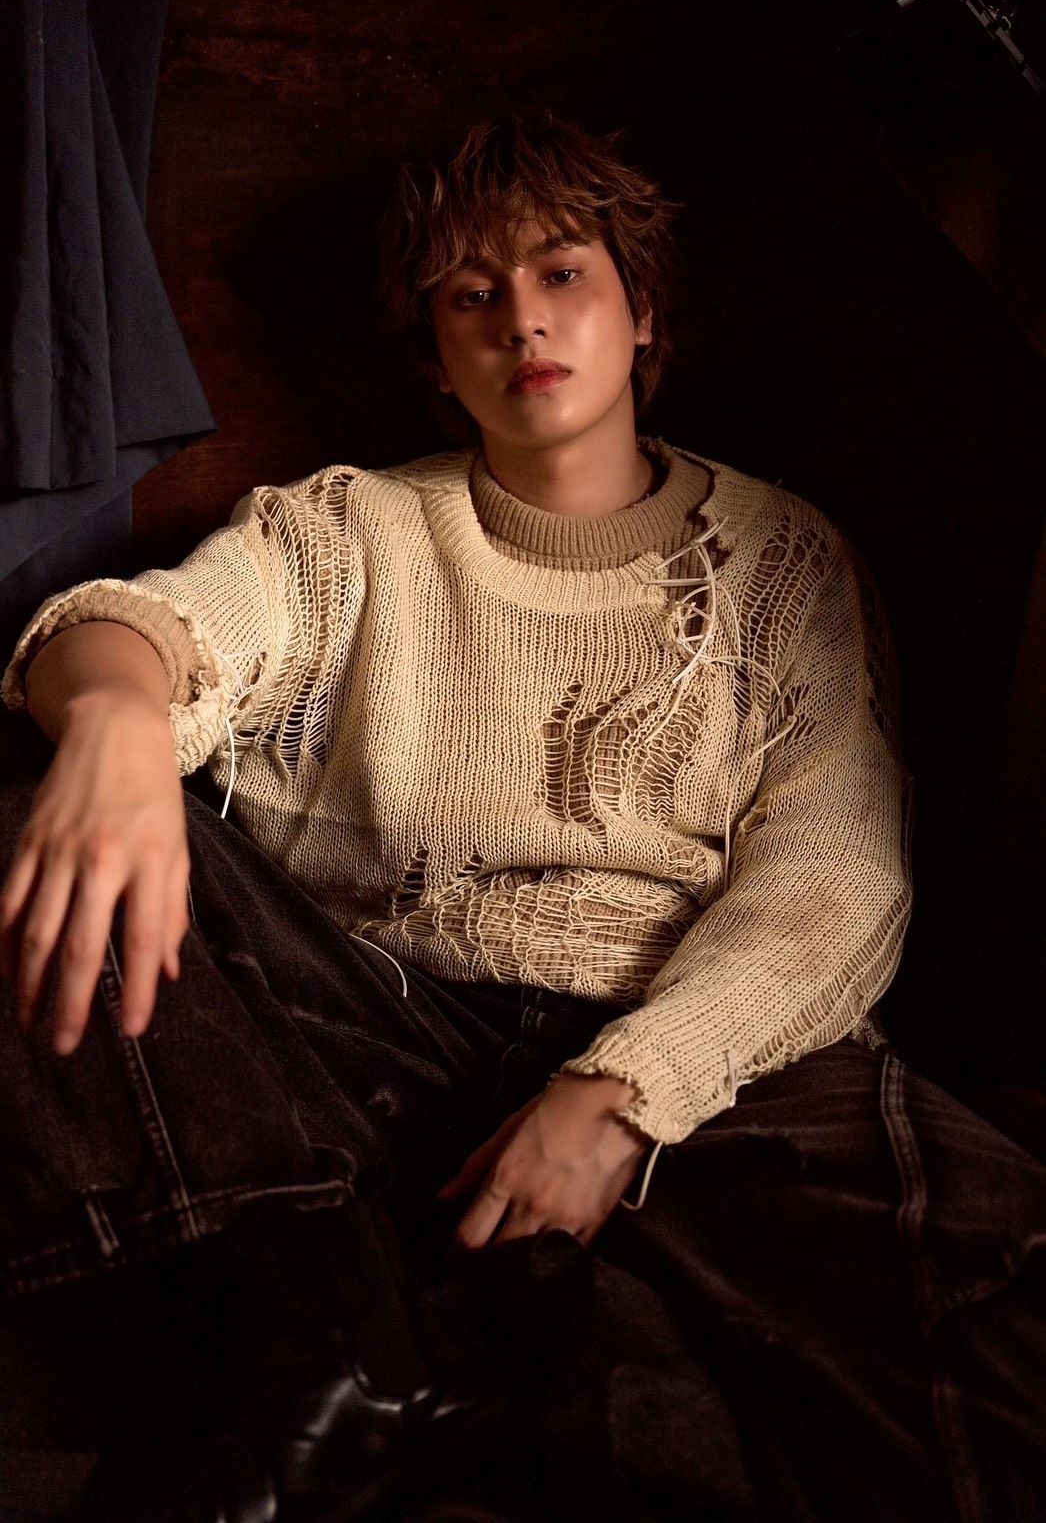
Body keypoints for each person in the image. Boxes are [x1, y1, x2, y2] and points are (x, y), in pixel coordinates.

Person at [0, 112, 1042, 1523]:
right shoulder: (351, 530)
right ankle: (334, 1345)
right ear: (435, 355)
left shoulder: (785, 561)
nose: (521, 320)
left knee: (983, 1249)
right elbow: (154, 627)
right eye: (469, 293)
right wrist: (116, 718)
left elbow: (833, 877)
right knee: (44, 838)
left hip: (689, 1036)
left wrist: (625, 1095)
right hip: (377, 1021)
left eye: (561, 274)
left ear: (642, 312)